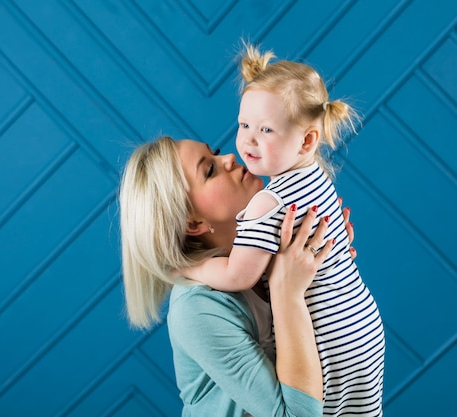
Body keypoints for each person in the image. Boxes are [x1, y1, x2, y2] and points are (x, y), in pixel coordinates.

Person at [181, 43, 385, 416]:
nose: (240, 145)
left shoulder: (268, 203)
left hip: (329, 338)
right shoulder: (319, 178)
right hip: (364, 325)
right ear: (192, 223)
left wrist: (184, 267)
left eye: (266, 129)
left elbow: (239, 273)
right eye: (244, 125)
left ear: (307, 140)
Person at [119, 136, 346, 416]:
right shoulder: (196, 309)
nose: (227, 158)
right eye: (210, 170)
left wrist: (326, 268)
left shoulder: (270, 252)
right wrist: (288, 293)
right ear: (193, 223)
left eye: (214, 153)